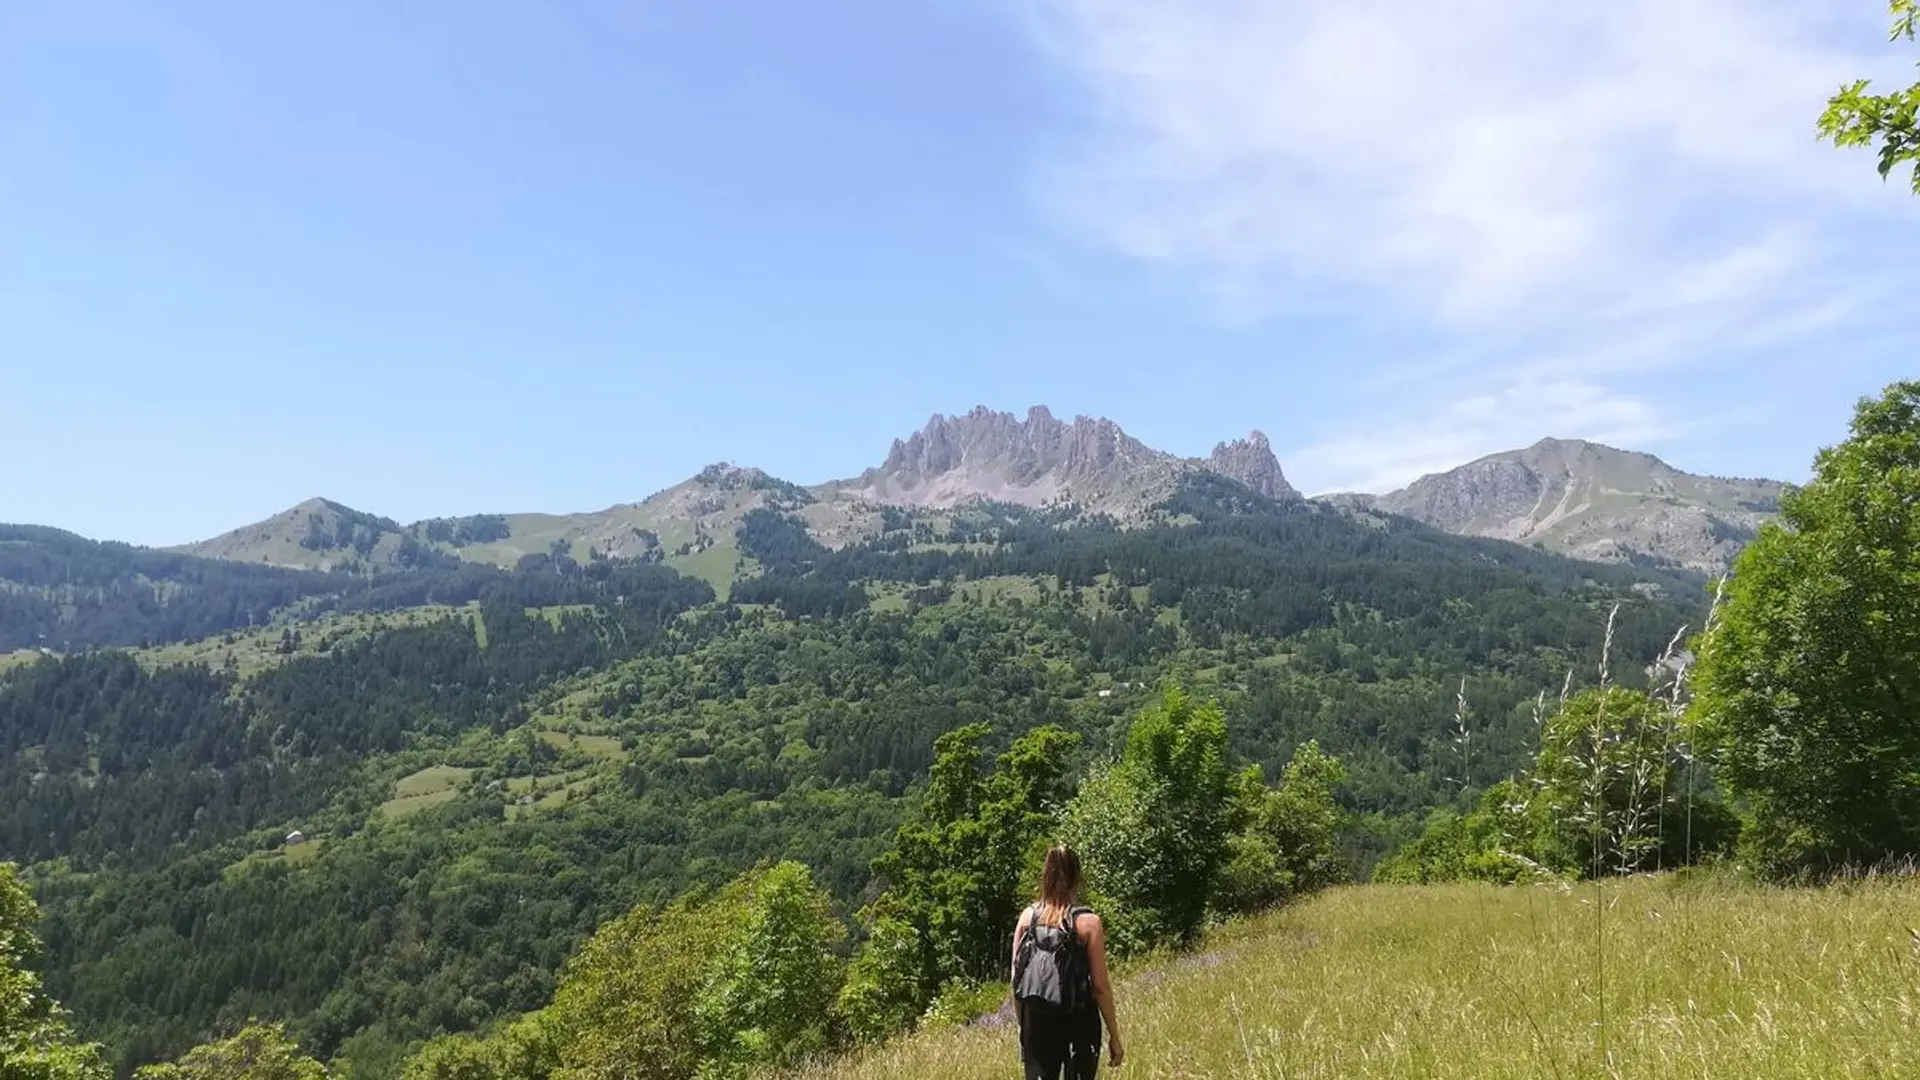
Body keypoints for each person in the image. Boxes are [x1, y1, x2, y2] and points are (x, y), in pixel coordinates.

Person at [1011, 845, 1124, 1079]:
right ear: (1076, 878)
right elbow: (1100, 986)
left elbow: (1016, 979)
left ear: (1045, 875)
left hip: (1037, 1020)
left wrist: (1023, 1028)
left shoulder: (1027, 918)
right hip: (1079, 1022)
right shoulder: (1088, 923)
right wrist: (1114, 1035)